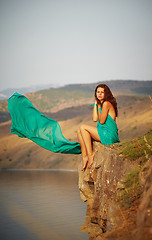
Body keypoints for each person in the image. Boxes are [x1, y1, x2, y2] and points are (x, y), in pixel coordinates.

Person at [77, 84, 120, 171]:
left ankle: (90, 155)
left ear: (106, 94)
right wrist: (95, 104)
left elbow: (101, 121)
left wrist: (99, 106)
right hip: (103, 131)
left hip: (109, 134)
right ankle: (84, 156)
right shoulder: (101, 104)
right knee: (79, 131)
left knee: (83, 127)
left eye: (102, 92)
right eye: (98, 92)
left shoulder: (106, 104)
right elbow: (94, 118)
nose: (99, 94)